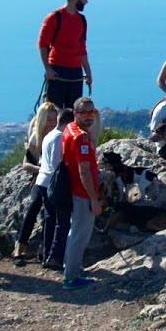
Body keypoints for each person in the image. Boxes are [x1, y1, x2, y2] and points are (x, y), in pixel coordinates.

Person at [60, 97, 102, 291]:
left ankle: (70, 267)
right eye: (84, 113)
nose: (89, 117)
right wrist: (94, 198)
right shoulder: (82, 138)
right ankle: (72, 277)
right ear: (75, 114)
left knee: (74, 232)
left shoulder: (69, 129)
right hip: (82, 192)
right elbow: (83, 170)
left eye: (91, 113)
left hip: (73, 190)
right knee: (81, 235)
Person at [12, 102, 59, 266]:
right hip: (40, 178)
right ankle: (19, 248)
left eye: (54, 119)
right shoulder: (36, 137)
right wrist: (41, 169)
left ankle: (44, 249)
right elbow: (26, 164)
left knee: (50, 213)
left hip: (55, 179)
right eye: (49, 119)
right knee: (33, 208)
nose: (52, 123)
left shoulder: (58, 135)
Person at [37, 0, 93, 109]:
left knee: (73, 112)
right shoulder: (54, 17)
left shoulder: (82, 20)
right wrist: (47, 68)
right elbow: (42, 44)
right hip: (57, 71)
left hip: (76, 73)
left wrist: (88, 73)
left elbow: (82, 49)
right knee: (54, 111)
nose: (87, 1)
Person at [39, 108, 75, 270]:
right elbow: (57, 163)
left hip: (43, 181)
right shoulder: (60, 137)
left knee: (50, 220)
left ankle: (46, 254)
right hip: (55, 184)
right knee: (62, 221)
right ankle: (55, 257)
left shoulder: (49, 135)